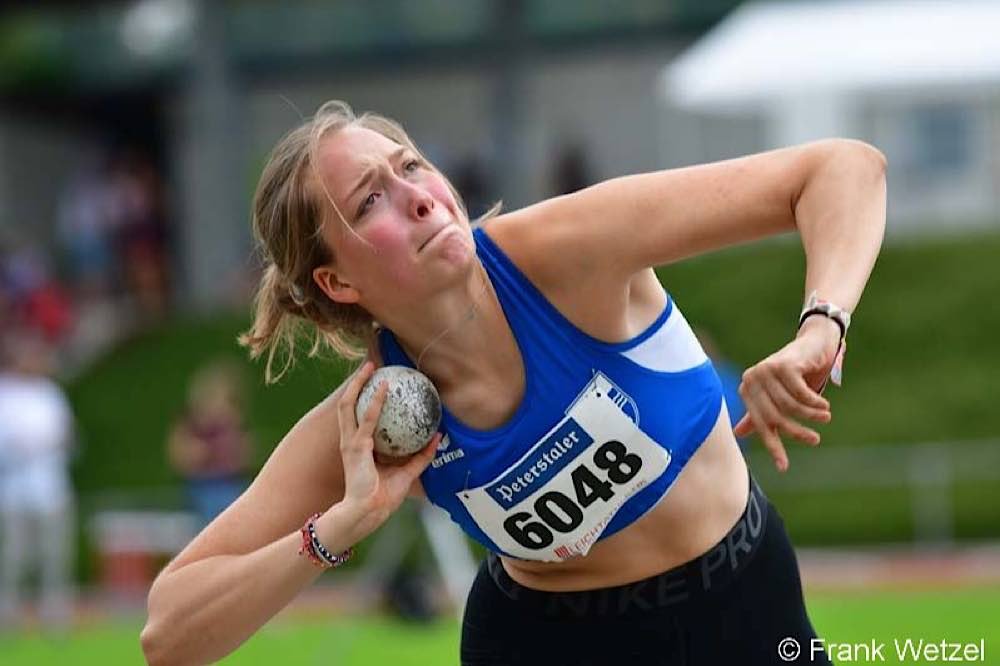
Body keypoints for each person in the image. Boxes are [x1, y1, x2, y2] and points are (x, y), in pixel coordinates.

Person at [141, 100, 886, 665]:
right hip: (545, 643)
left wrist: (821, 329)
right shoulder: (375, 423)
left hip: (742, 604)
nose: (420, 195)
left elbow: (842, 169)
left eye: (410, 166)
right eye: (370, 201)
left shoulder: (566, 253)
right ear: (336, 279)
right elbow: (169, 635)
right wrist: (337, 530)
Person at [0, 329, 77, 633]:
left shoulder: (50, 393)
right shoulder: (5, 393)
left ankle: (55, 614)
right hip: (15, 489)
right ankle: (8, 612)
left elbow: (66, 433)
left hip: (52, 489)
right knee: (16, 555)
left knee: (55, 555)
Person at [167, 359, 254, 527]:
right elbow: (181, 454)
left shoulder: (231, 424)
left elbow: (242, 453)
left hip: (229, 482)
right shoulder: (193, 424)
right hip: (204, 486)